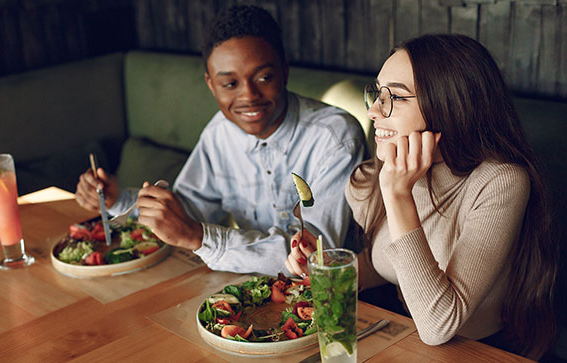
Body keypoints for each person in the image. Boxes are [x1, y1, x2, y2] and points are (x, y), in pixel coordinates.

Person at [285, 33, 558, 359]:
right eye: (377, 93)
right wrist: (331, 270)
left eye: (396, 98)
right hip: (402, 336)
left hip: (478, 351)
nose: (373, 111)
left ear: (450, 105)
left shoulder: (501, 182)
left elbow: (439, 325)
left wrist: (398, 195)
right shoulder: (370, 179)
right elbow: (390, 266)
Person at [74, 5, 367, 276]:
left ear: (285, 71)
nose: (249, 95)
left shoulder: (335, 137)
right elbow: (187, 210)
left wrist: (199, 237)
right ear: (211, 85)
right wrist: (117, 199)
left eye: (264, 78)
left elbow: (317, 253)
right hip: (252, 290)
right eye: (230, 84)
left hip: (341, 296)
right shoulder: (219, 133)